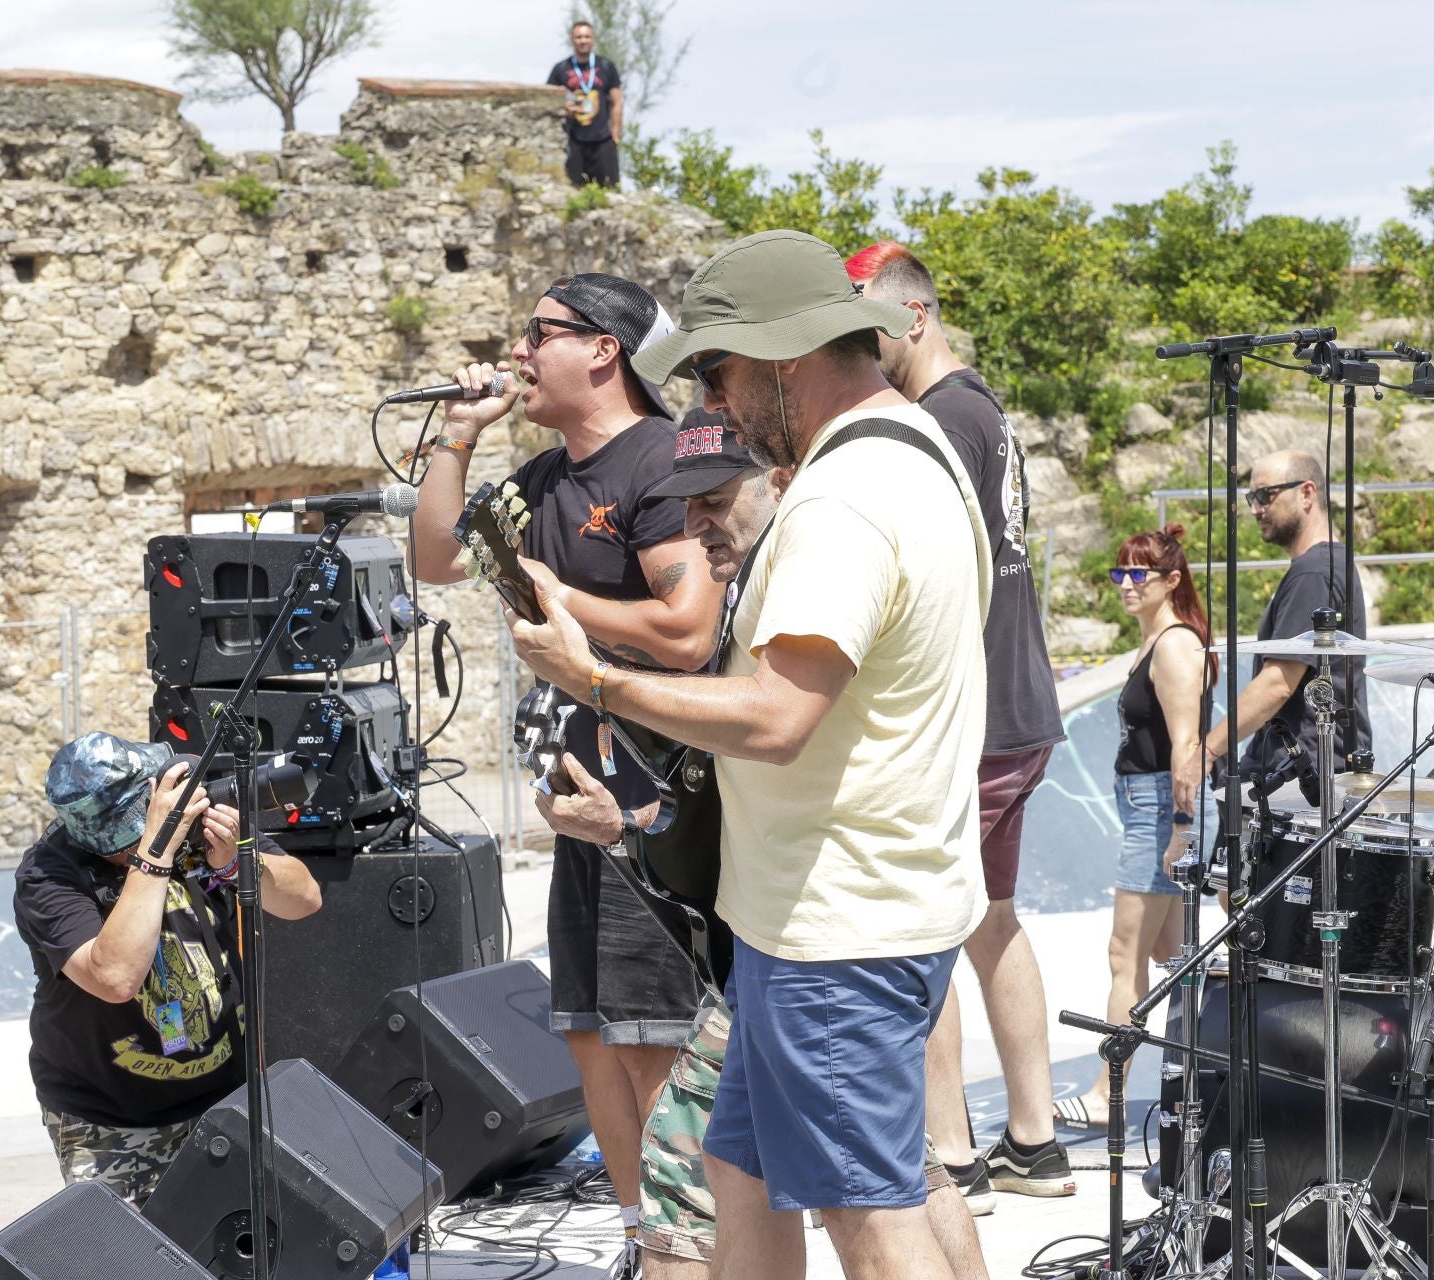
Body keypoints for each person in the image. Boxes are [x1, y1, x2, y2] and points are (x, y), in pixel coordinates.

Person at [510, 229, 992, 1280]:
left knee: (870, 1215)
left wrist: (590, 676)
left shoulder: (843, 498)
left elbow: (778, 715)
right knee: (745, 1168)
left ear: (781, 360)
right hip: (854, 905)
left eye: (720, 374)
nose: (713, 406)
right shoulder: (918, 452)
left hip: (837, 926)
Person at [410, 273, 721, 1278]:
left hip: (657, 806)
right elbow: (433, 560)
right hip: (580, 803)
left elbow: (689, 628)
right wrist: (456, 437)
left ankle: (695, 1243)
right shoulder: (546, 478)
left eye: (538, 334)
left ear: (603, 349)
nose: (517, 352)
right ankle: (645, 1243)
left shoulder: (662, 459)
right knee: (589, 1035)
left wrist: (567, 607)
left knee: (652, 1042)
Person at [845, 241, 1073, 1209]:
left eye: (869, 323)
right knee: (990, 921)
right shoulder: (983, 409)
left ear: (916, 316)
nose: (857, 343)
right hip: (1019, 707)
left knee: (926, 926)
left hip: (972, 717)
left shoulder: (939, 419)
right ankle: (1035, 1138)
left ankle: (953, 1152)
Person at [12, 733, 321, 1206]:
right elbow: (115, 977)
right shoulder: (49, 875)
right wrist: (154, 852)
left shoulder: (197, 829)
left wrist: (241, 864)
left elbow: (305, 899)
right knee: (131, 1261)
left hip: (225, 1096)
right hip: (111, 1120)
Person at [1057, 526, 1215, 1130]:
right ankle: (1197, 1078)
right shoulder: (1160, 642)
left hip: (1158, 809)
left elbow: (1186, 747)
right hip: (1147, 805)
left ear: (1171, 581)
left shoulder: (1175, 646)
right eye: (1119, 573)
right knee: (1173, 958)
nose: (1125, 585)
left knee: (1125, 954)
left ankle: (1107, 1095)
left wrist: (1181, 830)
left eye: (1137, 575)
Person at [1201, 450, 1369, 784]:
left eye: (1265, 495)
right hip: (1304, 766)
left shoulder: (1313, 574)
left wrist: (1206, 752)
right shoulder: (1327, 565)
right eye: (1251, 497)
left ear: (1306, 493)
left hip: (1300, 772)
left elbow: (1277, 683)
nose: (1255, 509)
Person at [547, 20, 622, 188]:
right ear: (572, 39)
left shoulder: (606, 66)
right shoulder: (561, 69)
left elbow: (617, 102)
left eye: (587, 36)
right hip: (574, 139)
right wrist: (563, 107)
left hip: (602, 139)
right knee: (573, 189)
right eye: (579, 37)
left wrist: (615, 136)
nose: (583, 40)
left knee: (610, 190)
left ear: (593, 39)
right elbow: (549, 101)